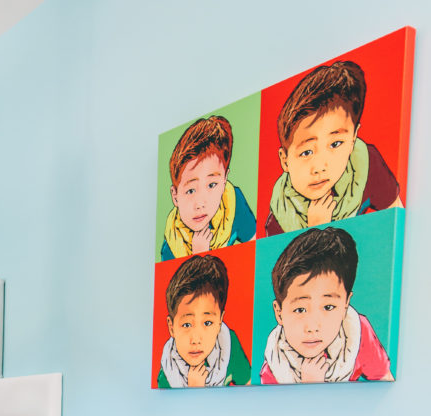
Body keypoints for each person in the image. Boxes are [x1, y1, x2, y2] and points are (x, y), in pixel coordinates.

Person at [265, 61, 401, 236]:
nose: (320, 167)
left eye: (335, 144)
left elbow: (396, 220)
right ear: (285, 160)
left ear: (353, 138)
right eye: (307, 152)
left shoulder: (366, 163)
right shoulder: (280, 217)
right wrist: (314, 231)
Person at [260, 226, 393, 384]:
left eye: (328, 307)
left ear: (345, 305)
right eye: (300, 309)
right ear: (279, 313)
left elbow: (384, 379)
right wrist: (309, 384)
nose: (312, 327)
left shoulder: (358, 331)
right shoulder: (276, 364)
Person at [161, 116, 256, 260]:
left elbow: (256, 244)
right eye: (190, 190)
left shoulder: (232, 202)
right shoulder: (171, 246)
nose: (200, 204)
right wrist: (199, 256)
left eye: (212, 185)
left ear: (224, 180)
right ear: (175, 196)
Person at [158, 254, 250, 387]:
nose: (196, 340)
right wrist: (193, 388)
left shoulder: (229, 344)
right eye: (187, 324)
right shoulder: (168, 372)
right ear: (171, 328)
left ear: (219, 322)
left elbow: (248, 384)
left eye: (207, 323)